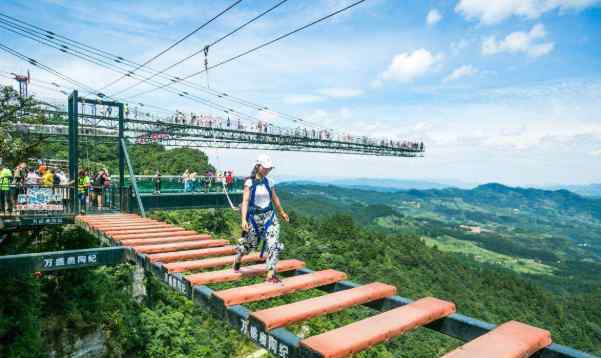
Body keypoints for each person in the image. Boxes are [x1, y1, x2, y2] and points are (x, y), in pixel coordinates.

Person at [233, 154, 289, 283]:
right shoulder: (249, 182)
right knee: (248, 247)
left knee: (274, 244)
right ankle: (238, 257)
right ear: (258, 166)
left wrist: (281, 212)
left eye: (269, 168)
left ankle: (271, 273)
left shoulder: (270, 182)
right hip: (254, 218)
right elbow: (245, 201)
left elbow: (274, 198)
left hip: (269, 216)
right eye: (265, 168)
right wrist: (243, 220)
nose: (268, 170)